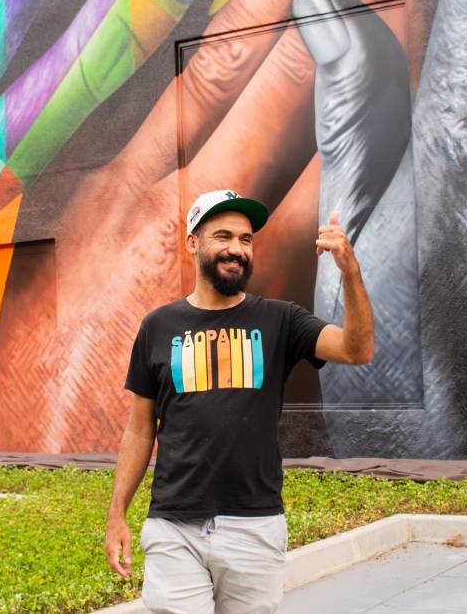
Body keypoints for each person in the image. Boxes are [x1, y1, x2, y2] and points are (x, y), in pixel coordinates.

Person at [104, 189, 374, 613]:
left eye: (246, 239)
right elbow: (140, 428)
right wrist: (117, 511)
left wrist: (350, 273)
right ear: (193, 242)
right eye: (223, 236)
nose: (237, 249)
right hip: (174, 524)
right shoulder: (157, 326)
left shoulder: (281, 319)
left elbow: (357, 350)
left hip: (254, 523)